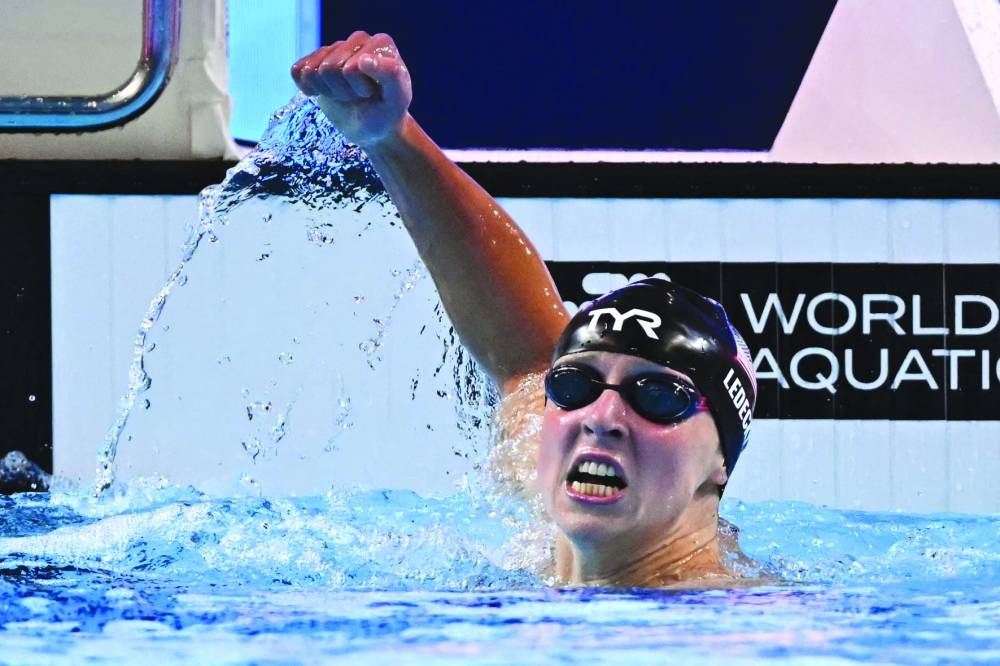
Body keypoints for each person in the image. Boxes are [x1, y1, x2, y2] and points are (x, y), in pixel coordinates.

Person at [291, 32, 758, 587]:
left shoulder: (734, 623)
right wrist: (389, 137)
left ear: (719, 463)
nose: (601, 419)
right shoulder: (557, 462)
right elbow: (528, 357)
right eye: (576, 385)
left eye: (656, 397)